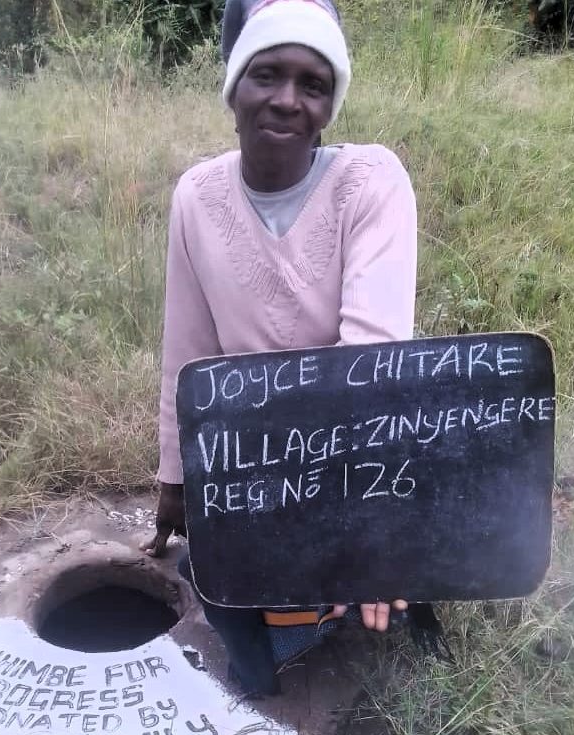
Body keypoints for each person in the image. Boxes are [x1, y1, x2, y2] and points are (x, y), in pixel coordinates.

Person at [144, 0, 417, 696]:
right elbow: (189, 351)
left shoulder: (372, 182)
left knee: (312, 618)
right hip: (248, 464)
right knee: (241, 624)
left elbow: (371, 367)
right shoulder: (196, 198)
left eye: (314, 83)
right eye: (267, 74)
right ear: (233, 87)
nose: (288, 101)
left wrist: (368, 529)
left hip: (355, 458)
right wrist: (178, 481)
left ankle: (346, 590)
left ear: (331, 103)